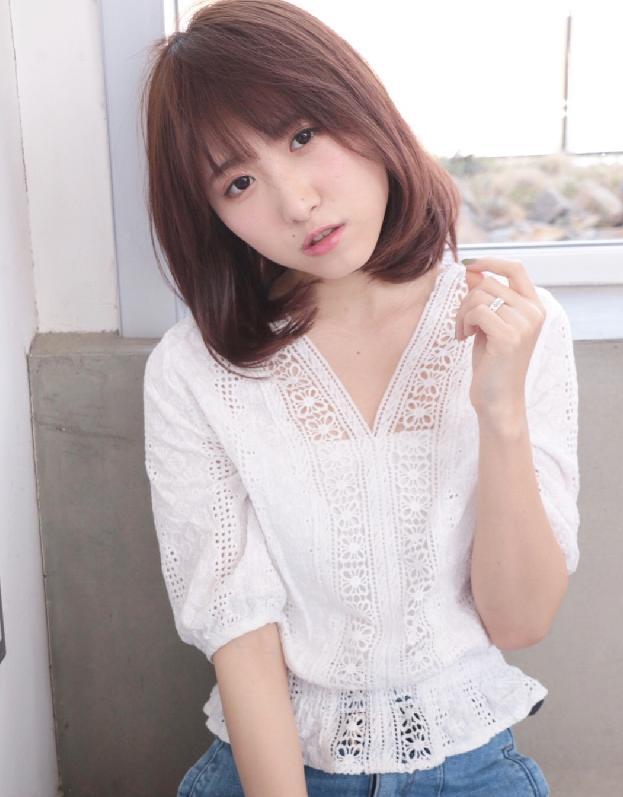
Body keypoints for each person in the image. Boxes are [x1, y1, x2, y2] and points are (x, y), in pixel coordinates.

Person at [140, 2, 580, 795]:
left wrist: (501, 412)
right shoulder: (193, 371)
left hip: (472, 767)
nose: (295, 201)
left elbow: (520, 621)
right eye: (239, 182)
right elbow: (243, 639)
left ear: (362, 108)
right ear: (213, 217)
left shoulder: (517, 324)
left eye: (303, 135)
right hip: (271, 768)